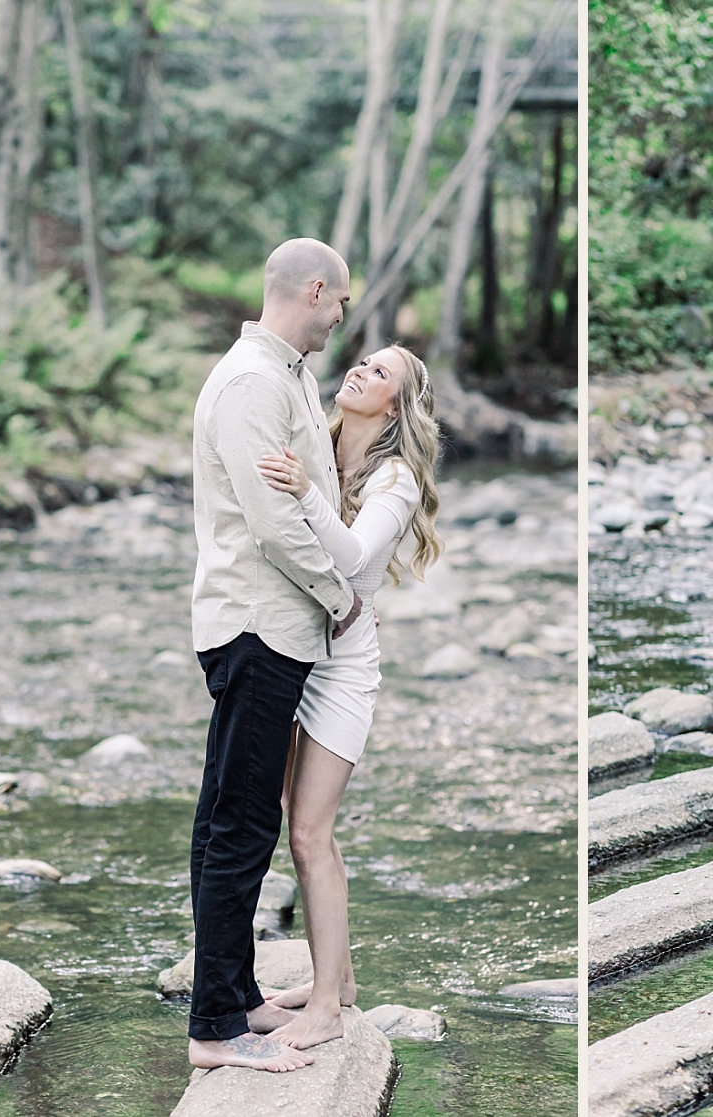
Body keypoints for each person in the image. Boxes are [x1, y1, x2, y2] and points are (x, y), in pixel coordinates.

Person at [187, 238, 358, 1074]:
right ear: (314, 289)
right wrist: (339, 593)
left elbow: (311, 495)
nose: (341, 316)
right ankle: (217, 1029)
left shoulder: (289, 373)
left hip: (270, 628)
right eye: (341, 301)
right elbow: (271, 520)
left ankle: (236, 992)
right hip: (258, 625)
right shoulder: (253, 382)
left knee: (230, 816)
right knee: (242, 826)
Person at [251, 344, 442, 1050]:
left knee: (309, 830)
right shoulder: (321, 446)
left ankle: (329, 1005)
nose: (360, 369)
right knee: (292, 821)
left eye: (380, 372)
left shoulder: (395, 477)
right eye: (360, 360)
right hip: (295, 645)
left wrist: (303, 490)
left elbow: (356, 560)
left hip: (342, 667)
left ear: (395, 404)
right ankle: (342, 979)